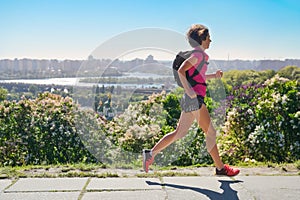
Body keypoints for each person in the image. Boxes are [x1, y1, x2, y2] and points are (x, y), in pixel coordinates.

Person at [143, 24, 240, 176]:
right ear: (201, 39)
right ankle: (220, 168)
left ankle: (150, 154)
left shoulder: (200, 56)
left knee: (179, 133)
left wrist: (213, 76)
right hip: (194, 99)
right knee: (210, 132)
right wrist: (190, 92)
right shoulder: (198, 55)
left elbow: (197, 77)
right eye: (208, 38)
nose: (210, 41)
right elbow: (182, 70)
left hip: (192, 99)